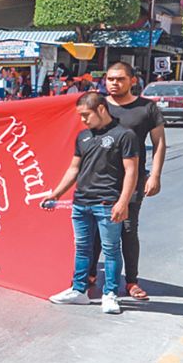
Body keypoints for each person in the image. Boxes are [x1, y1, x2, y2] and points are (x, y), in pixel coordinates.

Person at [45, 92, 139, 315]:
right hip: (81, 204)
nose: (83, 120)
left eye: (86, 115)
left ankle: (110, 294)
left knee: (111, 250)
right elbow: (74, 169)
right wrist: (56, 194)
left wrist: (123, 202)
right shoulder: (83, 137)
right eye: (81, 116)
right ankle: (79, 290)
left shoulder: (124, 135)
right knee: (83, 249)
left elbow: (131, 171)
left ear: (101, 110)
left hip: (107, 203)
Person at [83, 62, 165, 301]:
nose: (114, 83)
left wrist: (156, 175)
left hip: (132, 180)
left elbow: (159, 143)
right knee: (95, 230)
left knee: (128, 231)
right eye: (110, 79)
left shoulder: (147, 108)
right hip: (99, 181)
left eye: (119, 79)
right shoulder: (97, 105)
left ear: (132, 81)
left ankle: (131, 281)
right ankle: (89, 275)